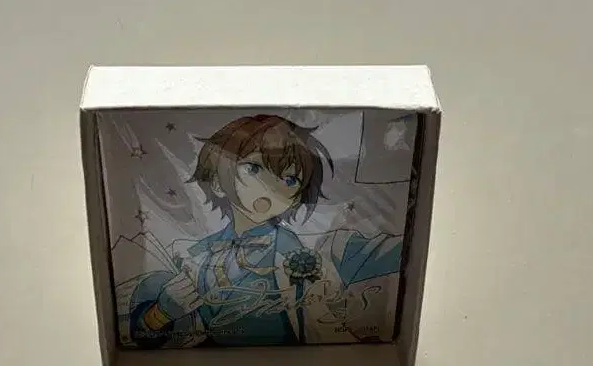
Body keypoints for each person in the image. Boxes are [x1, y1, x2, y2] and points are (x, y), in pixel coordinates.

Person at [128, 114, 402, 348]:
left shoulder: (322, 250)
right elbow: (139, 337)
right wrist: (160, 314)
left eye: (289, 179)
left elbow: (400, 254)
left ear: (297, 196)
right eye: (254, 168)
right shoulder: (190, 257)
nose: (273, 187)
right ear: (218, 183)